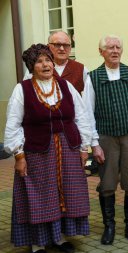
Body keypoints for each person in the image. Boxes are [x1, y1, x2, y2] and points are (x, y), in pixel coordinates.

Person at [4, 44, 92, 253]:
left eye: (48, 60)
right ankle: (38, 243)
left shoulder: (66, 86)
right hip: (37, 152)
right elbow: (13, 124)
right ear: (32, 66)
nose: (45, 65)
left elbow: (81, 117)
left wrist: (84, 147)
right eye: (39, 61)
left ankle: (60, 238)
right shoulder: (22, 89)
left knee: (66, 194)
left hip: (68, 148)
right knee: (40, 196)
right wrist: (19, 155)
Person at [82, 35, 128, 245]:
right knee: (106, 183)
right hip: (105, 137)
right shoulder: (93, 77)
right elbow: (88, 112)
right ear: (101, 51)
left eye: (118, 47)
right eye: (110, 48)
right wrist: (94, 144)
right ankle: (109, 226)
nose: (114, 51)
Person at [24, 31, 89, 95]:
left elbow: (87, 98)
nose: (62, 48)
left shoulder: (81, 69)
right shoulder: (35, 69)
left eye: (66, 45)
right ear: (48, 46)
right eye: (57, 45)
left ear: (70, 48)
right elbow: (26, 93)